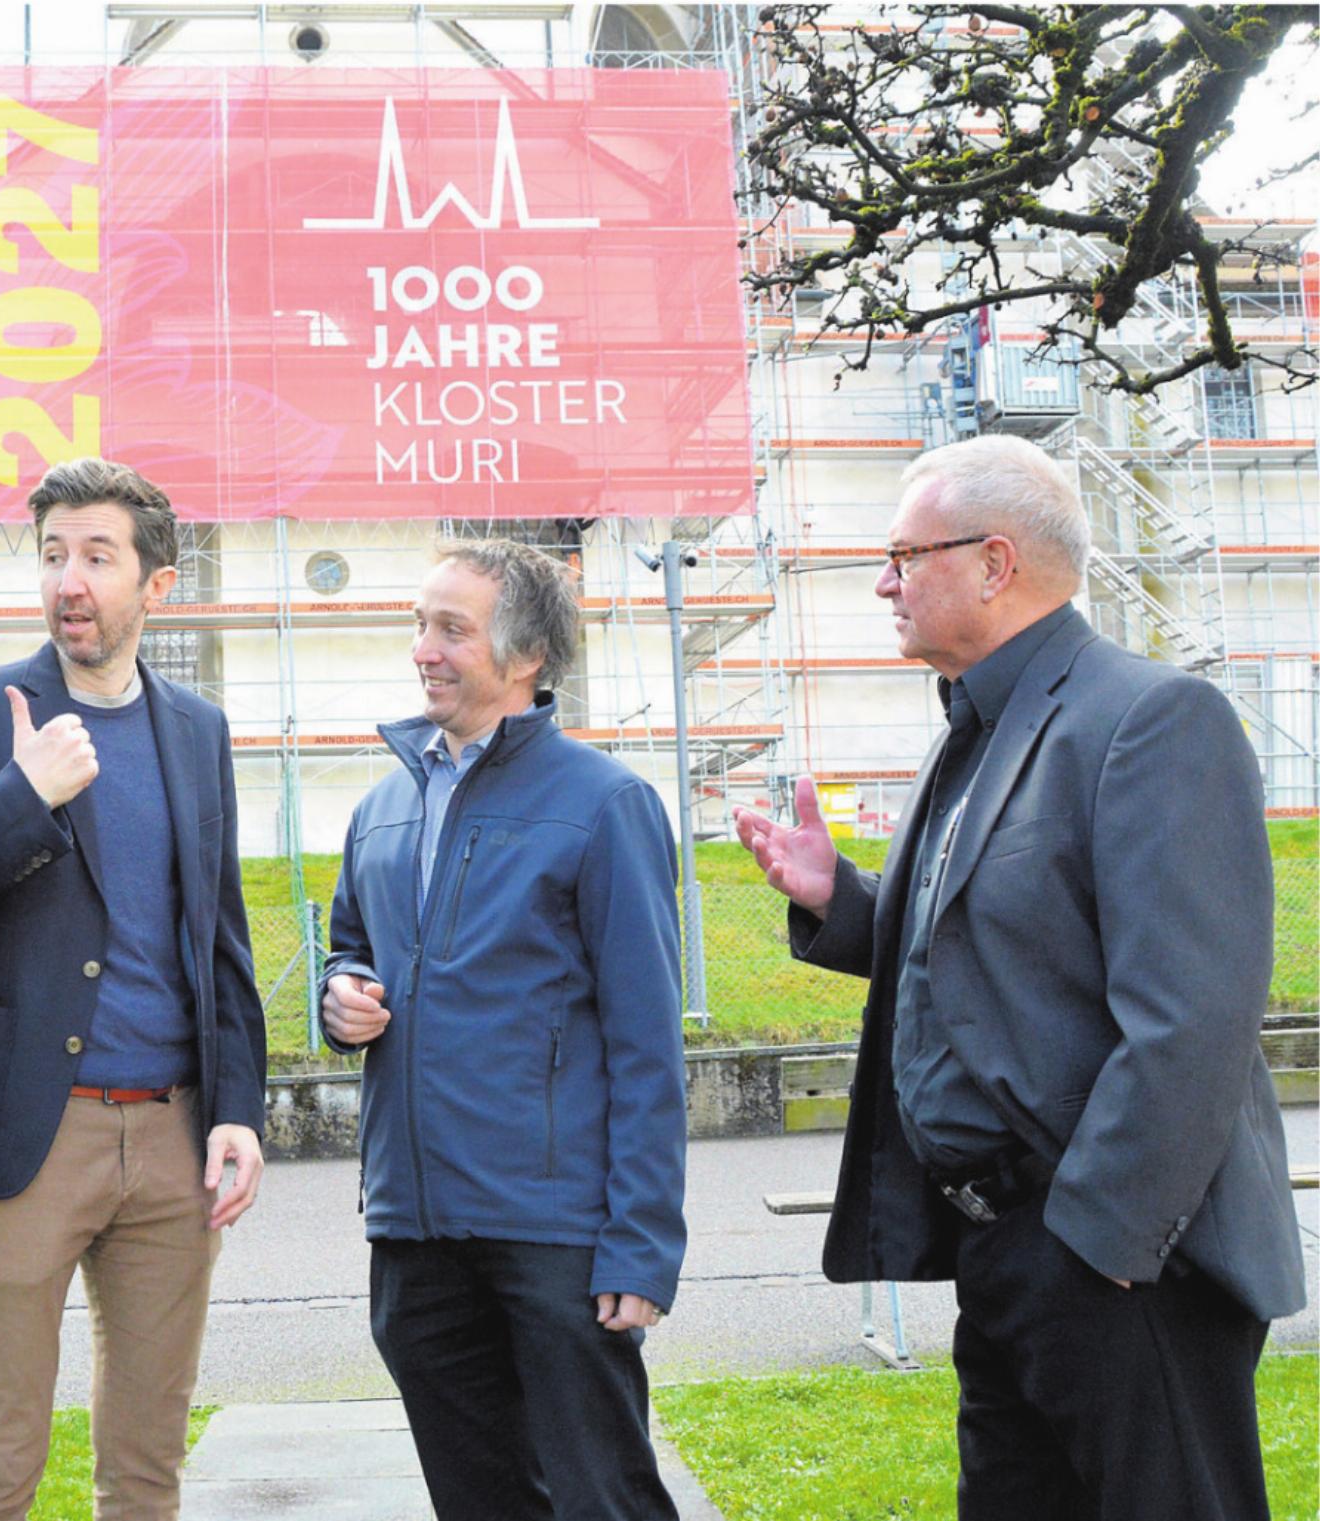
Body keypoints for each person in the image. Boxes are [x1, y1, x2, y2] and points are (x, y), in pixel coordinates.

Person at [733, 434, 1305, 1521]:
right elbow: (989, 949)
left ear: (995, 564)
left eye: (904, 554)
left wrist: (1101, 1245)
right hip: (1004, 1253)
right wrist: (839, 905)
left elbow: (1193, 1020)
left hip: (1122, 1258)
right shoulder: (976, 729)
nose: (882, 580)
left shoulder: (1149, 718)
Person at [0, 457, 267, 1521]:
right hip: (23, 1137)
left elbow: (221, 939)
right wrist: (23, 799)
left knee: (147, 1474)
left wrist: (237, 1108)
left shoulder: (196, 731)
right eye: (54, 554)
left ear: (159, 585)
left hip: (170, 1143)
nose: (69, 579)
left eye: (98, 556)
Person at [319, 537, 688, 1521]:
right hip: (413, 1227)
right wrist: (341, 998)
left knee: (602, 1497)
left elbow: (650, 1042)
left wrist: (643, 1244)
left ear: (525, 658)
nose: (423, 650)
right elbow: (347, 950)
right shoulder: (381, 807)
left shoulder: (605, 806)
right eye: (419, 625)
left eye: (452, 629)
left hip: (556, 1230)